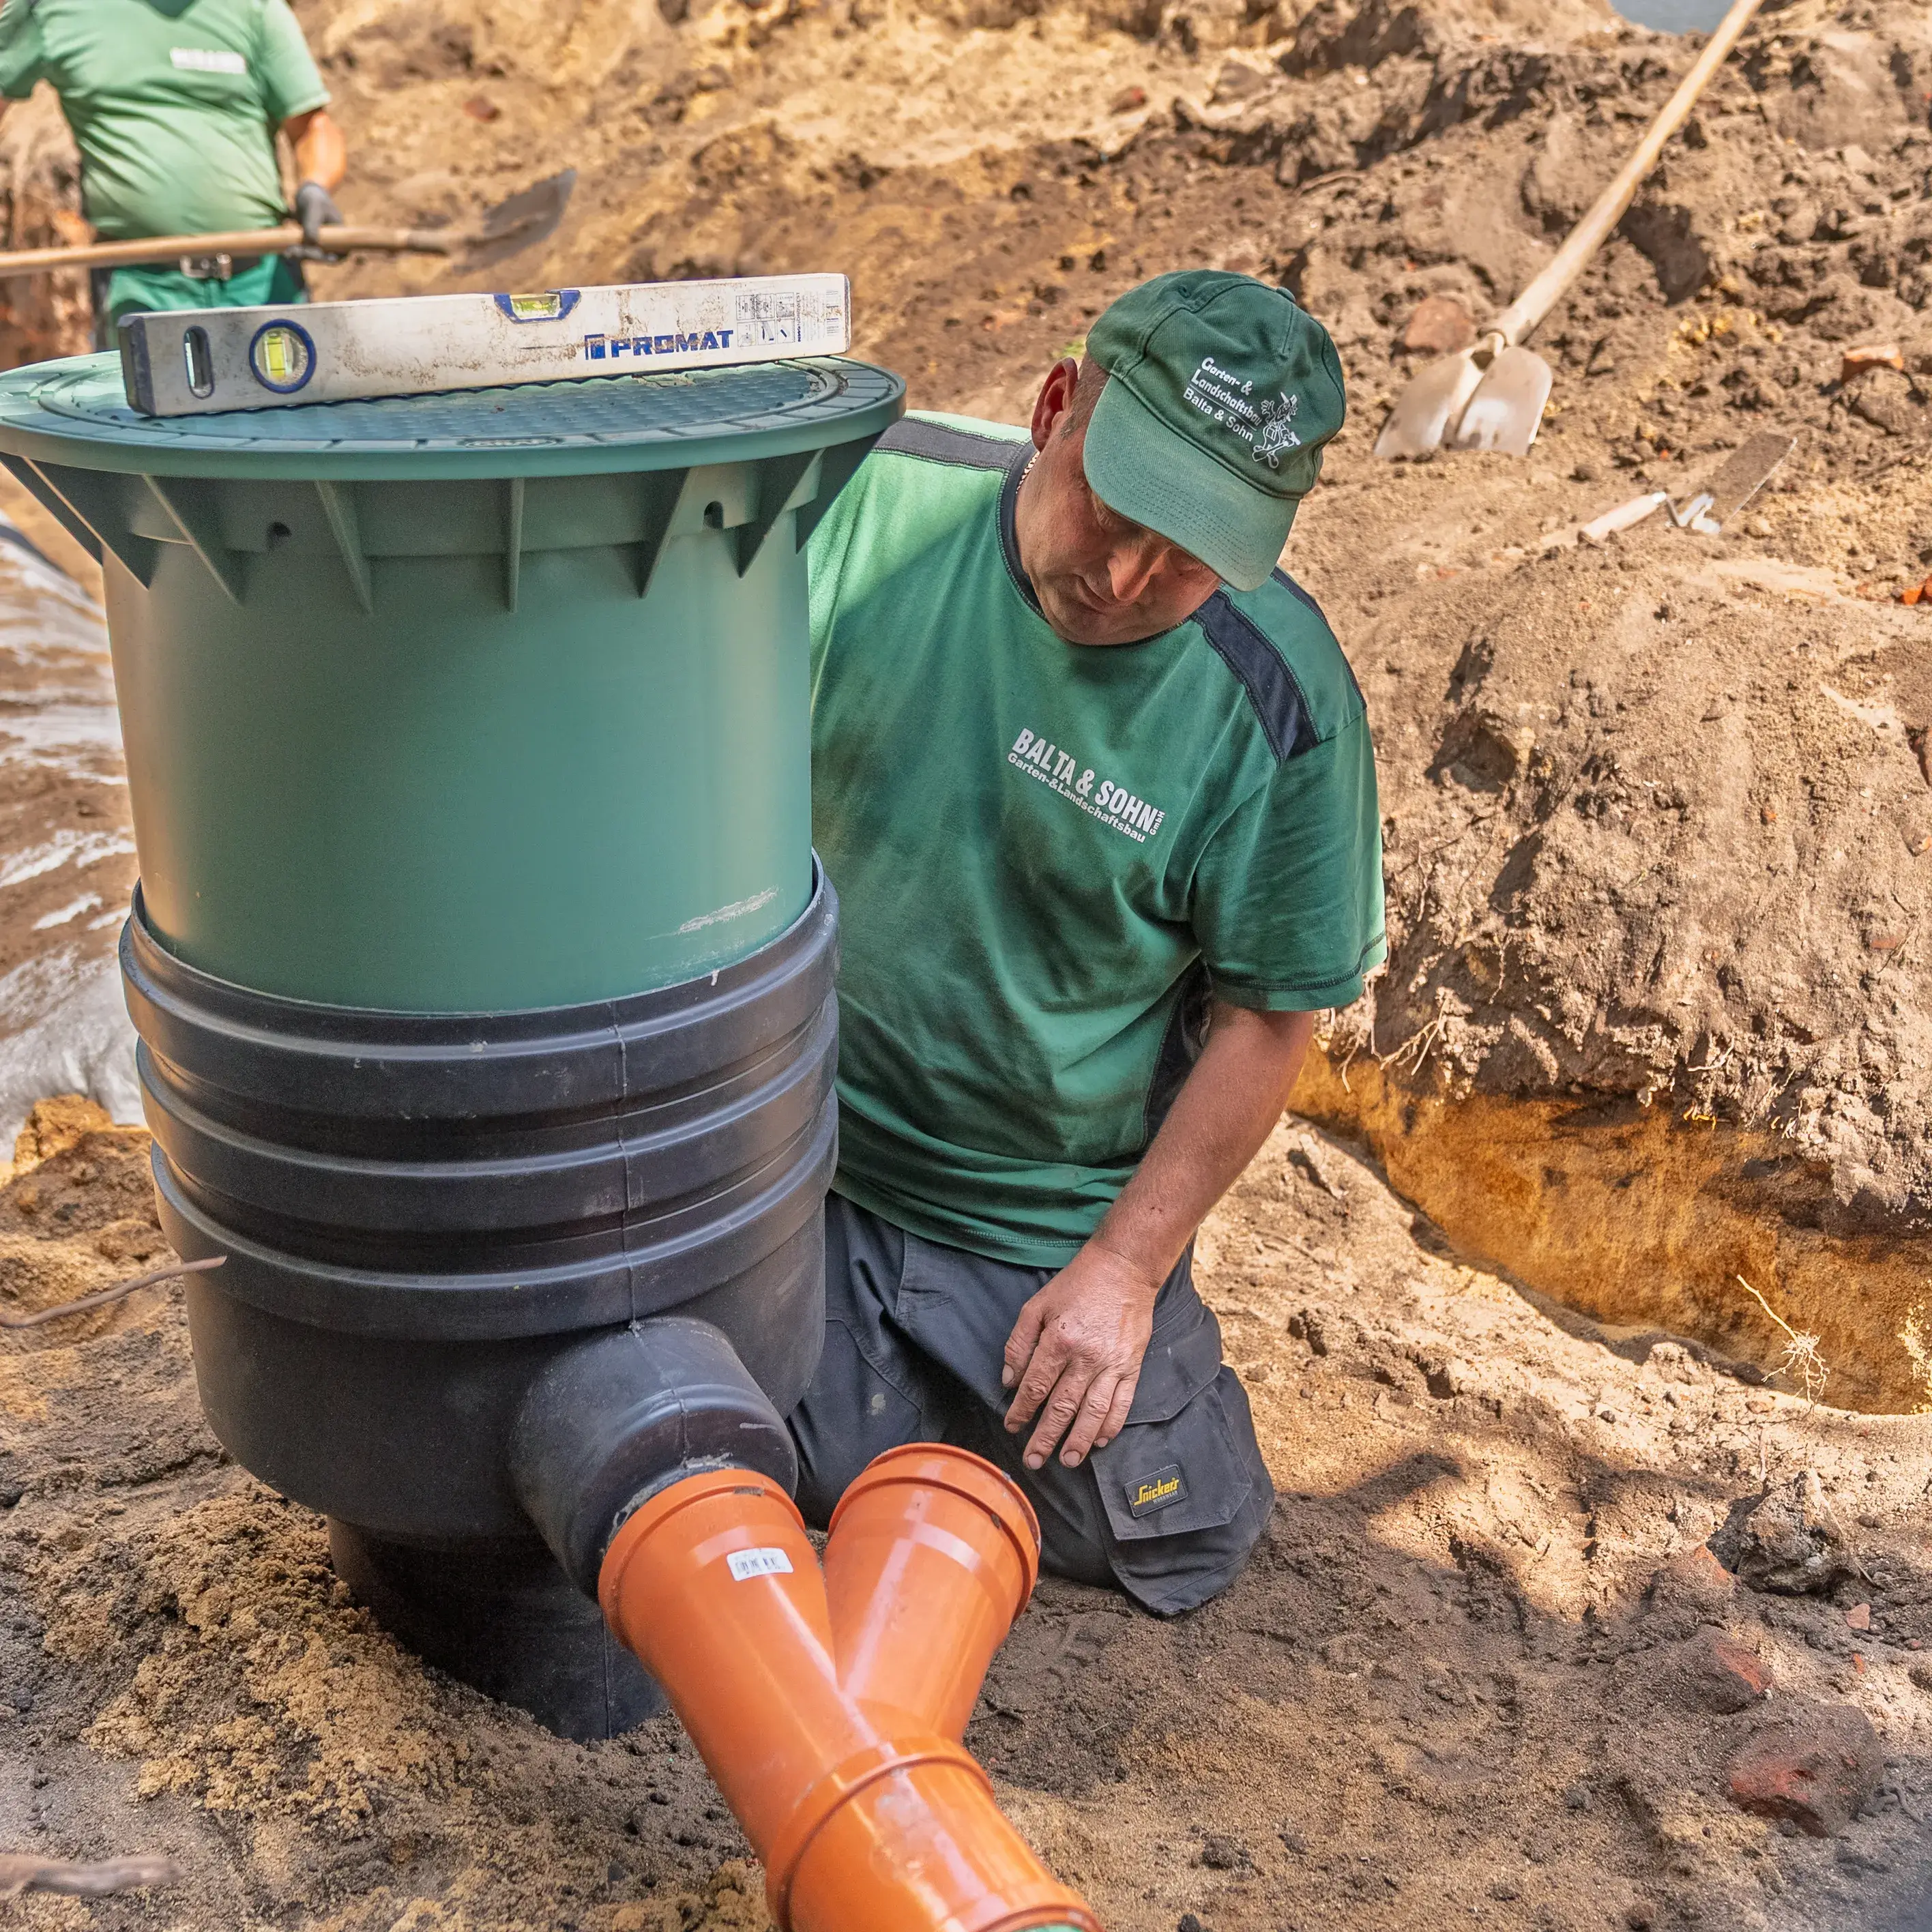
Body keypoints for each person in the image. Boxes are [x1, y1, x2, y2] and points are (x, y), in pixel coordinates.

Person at [791, 270, 1386, 1615]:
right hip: (794, 1158)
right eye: (1107, 514)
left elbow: (1267, 1016)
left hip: (1036, 1212)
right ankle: (860, 1397)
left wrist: (1124, 1270)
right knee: (679, 1437)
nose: (1121, 579)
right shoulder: (859, 500)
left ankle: (885, 1408)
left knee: (1181, 1535)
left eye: (1184, 561)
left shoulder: (1284, 711)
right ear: (1055, 406)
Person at [0, 0, 347, 344]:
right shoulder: (50, 8)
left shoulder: (254, 9)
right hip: (142, 288)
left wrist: (315, 185)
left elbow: (312, 127)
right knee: (148, 398)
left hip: (264, 282)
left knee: (286, 398)